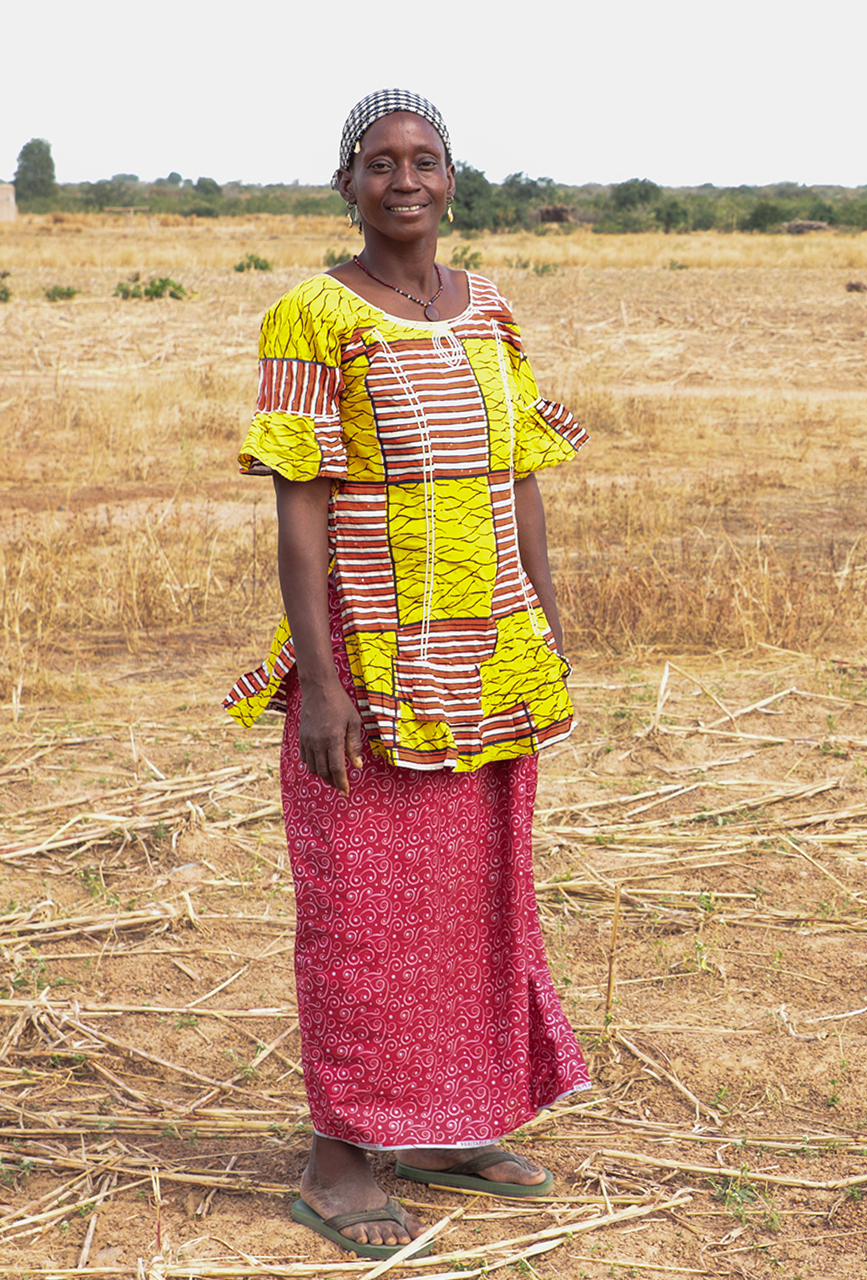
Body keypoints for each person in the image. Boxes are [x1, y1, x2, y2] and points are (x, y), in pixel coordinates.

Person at [223, 89, 591, 1260]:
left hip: (487, 652)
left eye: (424, 159)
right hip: (371, 658)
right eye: (379, 162)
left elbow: (520, 475)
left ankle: (448, 1125)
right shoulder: (312, 314)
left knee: (477, 897)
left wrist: (546, 623)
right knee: (363, 905)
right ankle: (340, 1155)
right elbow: (300, 507)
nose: (404, 179)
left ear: (451, 180)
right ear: (347, 185)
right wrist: (323, 685)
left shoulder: (491, 308)